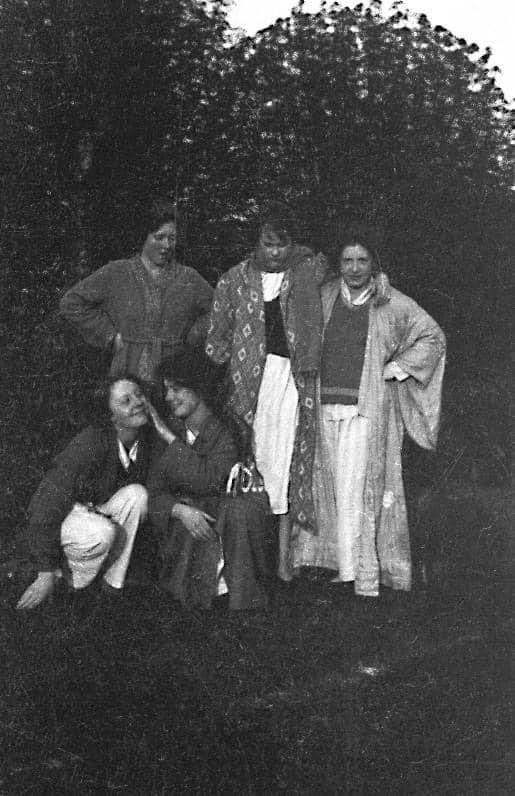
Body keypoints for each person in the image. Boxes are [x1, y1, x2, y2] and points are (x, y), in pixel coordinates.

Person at [290, 229, 446, 597]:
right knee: (327, 486)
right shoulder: (325, 296)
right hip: (323, 405)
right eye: (347, 260)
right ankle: (334, 566)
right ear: (338, 263)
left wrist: (398, 367)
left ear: (373, 263)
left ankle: (362, 573)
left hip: (365, 410)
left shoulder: (391, 302)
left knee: (358, 488)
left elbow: (433, 337)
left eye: (362, 260)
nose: (355, 268)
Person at [206, 201, 325, 582]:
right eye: (268, 244)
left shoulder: (307, 271)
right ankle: (248, 559)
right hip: (249, 385)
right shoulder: (234, 280)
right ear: (255, 243)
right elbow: (217, 339)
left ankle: (284, 561)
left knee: (288, 460)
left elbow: (353, 270)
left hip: (293, 380)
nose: (275, 252)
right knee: (252, 459)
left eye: (282, 244)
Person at [147, 346, 271, 610]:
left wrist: (170, 441)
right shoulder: (170, 428)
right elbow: (154, 491)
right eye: (167, 390)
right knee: (192, 517)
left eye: (177, 389)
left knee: (230, 513)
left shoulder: (227, 431)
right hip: (190, 518)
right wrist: (178, 510)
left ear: (198, 388)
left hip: (227, 514)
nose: (169, 397)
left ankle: (236, 597)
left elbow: (208, 479)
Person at [16, 375, 153, 609]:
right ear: (111, 417)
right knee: (102, 533)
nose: (137, 403)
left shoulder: (147, 441)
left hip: (97, 515)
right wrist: (45, 571)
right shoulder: (90, 442)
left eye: (139, 395)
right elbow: (47, 502)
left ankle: (111, 585)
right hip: (67, 520)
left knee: (138, 495)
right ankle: (72, 587)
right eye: (126, 401)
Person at [60, 198, 213, 386]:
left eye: (172, 238)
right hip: (127, 369)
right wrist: (110, 335)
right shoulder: (116, 272)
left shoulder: (189, 278)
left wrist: (195, 335)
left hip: (174, 376)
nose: (166, 245)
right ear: (144, 237)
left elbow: (219, 309)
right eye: (159, 237)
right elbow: (71, 303)